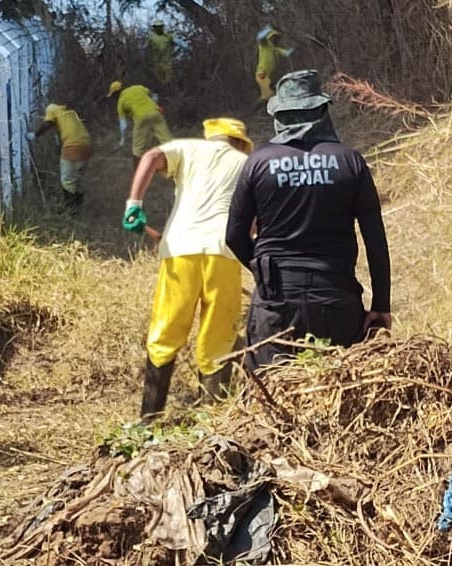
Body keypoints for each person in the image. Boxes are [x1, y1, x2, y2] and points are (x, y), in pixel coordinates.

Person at [226, 69, 392, 372]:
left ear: (279, 115)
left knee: (270, 391)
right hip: (336, 299)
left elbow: (234, 235)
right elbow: (375, 241)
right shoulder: (350, 161)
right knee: (340, 389)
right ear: (322, 111)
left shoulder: (258, 163)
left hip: (276, 304)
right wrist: (381, 305)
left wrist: (267, 275)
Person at [122, 118, 254, 421]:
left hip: (180, 249)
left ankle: (149, 419)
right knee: (219, 336)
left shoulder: (188, 149)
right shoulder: (247, 163)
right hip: (224, 253)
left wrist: (134, 204)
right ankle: (213, 419)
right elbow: (253, 222)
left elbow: (151, 156)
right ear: (239, 142)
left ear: (211, 137)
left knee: (166, 330)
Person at [27, 103, 93, 215]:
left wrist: (35, 135)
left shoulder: (51, 108)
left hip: (72, 146)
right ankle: (77, 205)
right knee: (76, 177)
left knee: (66, 180)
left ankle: (70, 209)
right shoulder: (68, 113)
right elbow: (63, 132)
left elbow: (48, 123)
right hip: (87, 145)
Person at [106, 81, 173, 166]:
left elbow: (124, 125)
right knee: (167, 141)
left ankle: (138, 171)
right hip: (156, 114)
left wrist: (122, 139)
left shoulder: (121, 102)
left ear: (116, 94)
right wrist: (155, 105)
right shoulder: (138, 87)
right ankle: (178, 164)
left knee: (137, 149)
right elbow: (154, 96)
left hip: (141, 119)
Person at [255, 26, 294, 103]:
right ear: (270, 37)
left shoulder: (274, 49)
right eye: (274, 38)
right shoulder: (265, 44)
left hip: (268, 76)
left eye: (277, 38)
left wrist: (294, 48)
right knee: (268, 95)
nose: (276, 40)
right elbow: (259, 37)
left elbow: (286, 53)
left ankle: (263, 105)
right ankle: (260, 106)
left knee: (271, 94)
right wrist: (268, 29)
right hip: (262, 74)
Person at [145, 20, 187, 88]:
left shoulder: (168, 36)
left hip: (167, 62)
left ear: (162, 27)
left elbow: (179, 42)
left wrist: (186, 46)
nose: (158, 28)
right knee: (159, 81)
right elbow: (145, 47)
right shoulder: (151, 38)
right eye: (157, 27)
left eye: (160, 26)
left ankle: (169, 89)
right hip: (156, 63)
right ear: (154, 28)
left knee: (169, 80)